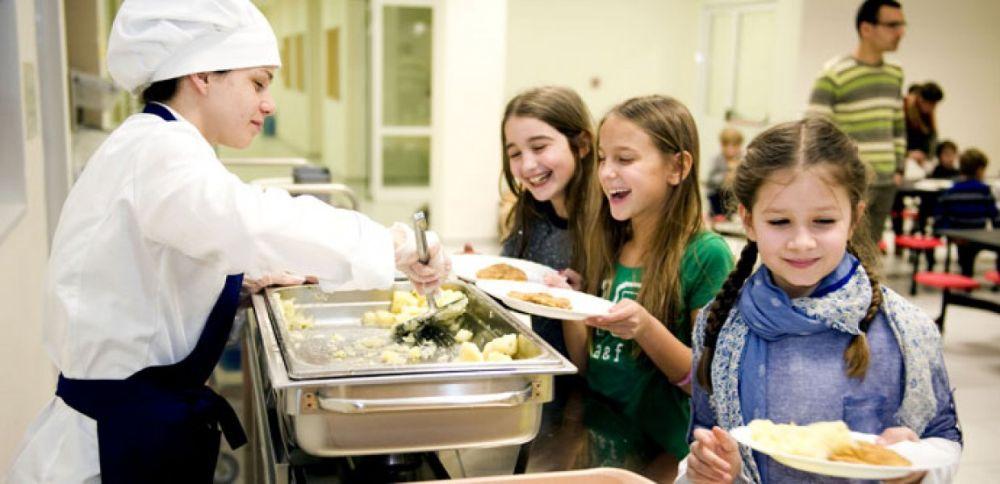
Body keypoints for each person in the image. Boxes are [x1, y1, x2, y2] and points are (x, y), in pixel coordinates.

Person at [7, 1, 450, 482]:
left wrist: (236, 288)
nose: (269, 103)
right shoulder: (160, 150)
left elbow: (158, 270)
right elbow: (252, 222)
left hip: (135, 425)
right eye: (257, 82)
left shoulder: (157, 141)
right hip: (113, 449)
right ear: (201, 74)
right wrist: (392, 244)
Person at [681, 117, 962, 484]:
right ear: (748, 221)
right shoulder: (720, 324)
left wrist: (918, 468)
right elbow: (703, 434)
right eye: (780, 222)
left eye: (824, 221)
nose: (802, 242)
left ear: (854, 218)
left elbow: (944, 436)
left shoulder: (903, 330)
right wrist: (707, 468)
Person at [557, 95, 733, 464]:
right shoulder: (610, 243)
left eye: (625, 159)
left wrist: (645, 328)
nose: (606, 173)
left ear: (677, 167)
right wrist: (569, 304)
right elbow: (589, 365)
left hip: (664, 455)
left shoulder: (706, 254)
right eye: (603, 159)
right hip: (605, 441)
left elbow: (705, 383)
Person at [490, 86, 597, 357]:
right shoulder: (530, 213)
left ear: (582, 145)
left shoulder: (611, 224)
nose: (527, 166)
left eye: (539, 147)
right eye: (515, 154)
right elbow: (506, 288)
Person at [808, 0, 907, 247]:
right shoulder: (834, 74)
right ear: (866, 29)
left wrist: (899, 169)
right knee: (841, 250)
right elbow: (815, 130)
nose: (901, 32)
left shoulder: (895, 73)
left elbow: (897, 122)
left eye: (902, 24)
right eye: (892, 25)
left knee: (870, 252)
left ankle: (866, 288)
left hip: (885, 180)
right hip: (850, 180)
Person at [933, 148, 1000, 276]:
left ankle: (965, 276)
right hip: (979, 234)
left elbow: (940, 216)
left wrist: (949, 233)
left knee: (965, 255)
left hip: (958, 235)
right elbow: (994, 216)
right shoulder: (984, 191)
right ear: (980, 170)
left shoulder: (949, 191)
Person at [706, 127, 744, 218]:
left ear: (739, 146)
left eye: (734, 146)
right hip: (717, 195)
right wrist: (724, 177)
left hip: (733, 194)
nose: (730, 149)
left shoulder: (742, 160)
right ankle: (717, 216)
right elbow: (710, 180)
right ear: (721, 145)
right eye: (726, 145)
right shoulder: (718, 159)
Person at [905, 82, 944, 163]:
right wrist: (908, 154)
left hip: (919, 158)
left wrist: (927, 156)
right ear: (921, 99)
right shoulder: (903, 107)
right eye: (932, 105)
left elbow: (932, 136)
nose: (933, 108)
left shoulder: (928, 113)